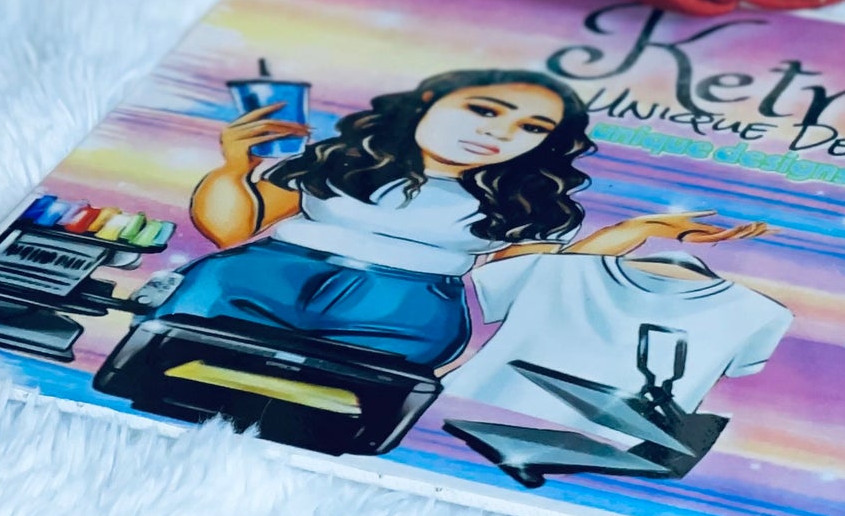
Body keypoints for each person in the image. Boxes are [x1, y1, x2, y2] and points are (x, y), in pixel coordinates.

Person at [149, 68, 759, 370]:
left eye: (530, 128)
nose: (499, 133)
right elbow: (230, 229)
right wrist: (235, 167)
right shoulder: (337, 161)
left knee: (351, 389)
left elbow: (535, 277)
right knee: (184, 353)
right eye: (484, 110)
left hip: (406, 308)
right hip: (261, 275)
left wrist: (636, 234)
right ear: (427, 102)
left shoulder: (523, 203)